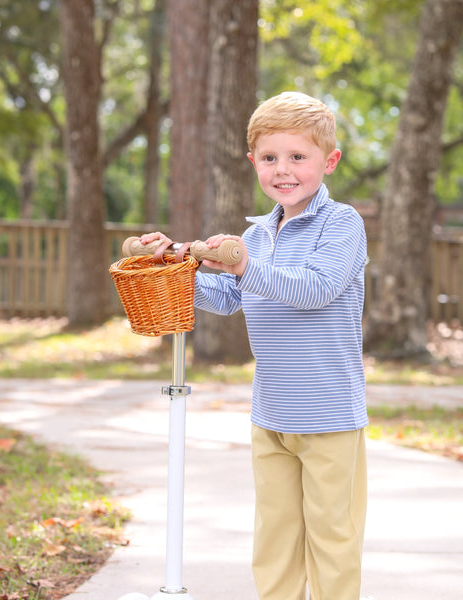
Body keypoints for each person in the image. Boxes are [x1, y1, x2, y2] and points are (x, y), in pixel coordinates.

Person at [141, 91, 368, 600]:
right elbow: (226, 297)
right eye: (270, 158)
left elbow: (315, 289)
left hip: (329, 414)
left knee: (332, 538)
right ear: (253, 163)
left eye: (297, 157)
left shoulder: (342, 224)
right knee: (275, 537)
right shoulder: (259, 234)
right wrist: (175, 269)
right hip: (272, 413)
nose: (282, 170)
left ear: (328, 161)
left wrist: (243, 265)